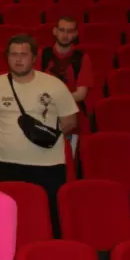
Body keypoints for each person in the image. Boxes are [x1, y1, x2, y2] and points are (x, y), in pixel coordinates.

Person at [0, 35, 78, 222]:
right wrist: (11, 137)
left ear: (33, 58)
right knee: (6, 217)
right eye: (13, 54)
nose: (18, 59)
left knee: (46, 217)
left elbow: (70, 120)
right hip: (5, 162)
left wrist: (43, 138)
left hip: (48, 164)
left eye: (23, 54)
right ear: (7, 57)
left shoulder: (54, 85)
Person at [42, 15, 94, 155]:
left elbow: (81, 94)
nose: (65, 35)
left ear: (76, 34)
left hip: (72, 121)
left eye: (70, 31)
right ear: (55, 31)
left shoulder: (82, 58)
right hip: (45, 118)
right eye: (62, 30)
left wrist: (53, 99)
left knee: (69, 160)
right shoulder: (42, 55)